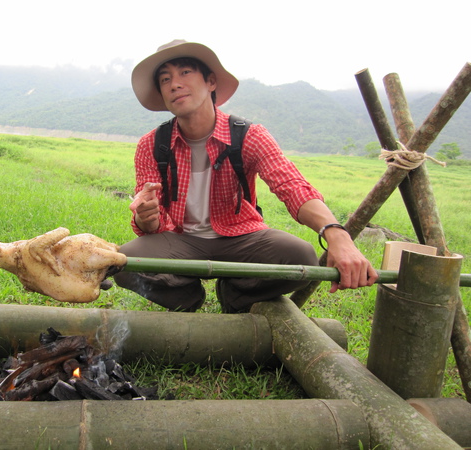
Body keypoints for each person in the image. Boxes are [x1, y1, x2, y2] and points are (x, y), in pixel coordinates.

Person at [113, 39, 378, 313]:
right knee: (124, 262)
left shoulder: (248, 135)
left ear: (211, 82)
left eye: (185, 73)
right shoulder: (152, 144)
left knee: (301, 256)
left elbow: (291, 185)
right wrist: (146, 218)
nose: (174, 84)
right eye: (165, 79)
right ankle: (186, 298)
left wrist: (337, 235)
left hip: (239, 238)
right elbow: (150, 223)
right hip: (181, 239)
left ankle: (236, 295)